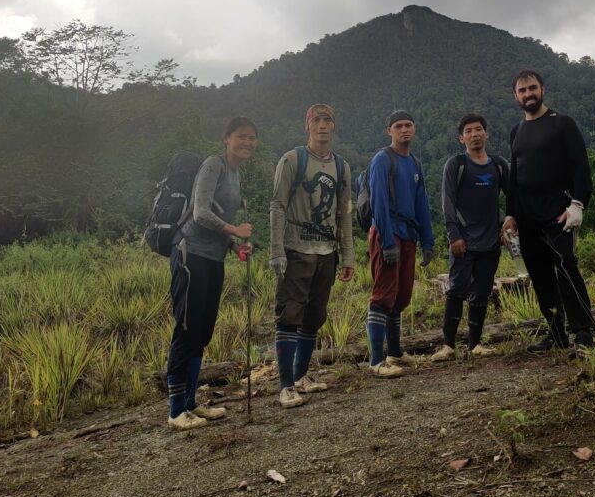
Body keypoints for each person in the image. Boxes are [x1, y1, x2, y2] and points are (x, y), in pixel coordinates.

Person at [164, 116, 257, 431]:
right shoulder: (213, 165)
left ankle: (191, 404)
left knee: (202, 332)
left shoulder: (235, 173)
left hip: (213, 257)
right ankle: (176, 411)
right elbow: (200, 212)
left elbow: (217, 218)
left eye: (252, 138)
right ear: (226, 138)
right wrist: (235, 229)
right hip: (190, 255)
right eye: (242, 137)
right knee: (187, 329)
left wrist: (234, 245)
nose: (247, 143)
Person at [502, 69, 595, 352]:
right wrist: (510, 214)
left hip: (559, 212)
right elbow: (514, 176)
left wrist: (578, 204)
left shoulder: (562, 124)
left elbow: (581, 166)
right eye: (522, 90)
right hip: (527, 217)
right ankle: (556, 333)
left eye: (532, 88)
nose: (528, 94)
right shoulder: (516, 131)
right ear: (515, 95)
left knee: (567, 268)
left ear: (542, 89)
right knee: (540, 274)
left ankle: (583, 333)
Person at [269, 104, 356, 409]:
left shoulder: (342, 166)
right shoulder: (292, 159)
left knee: (314, 317)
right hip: (296, 249)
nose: (322, 125)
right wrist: (277, 251)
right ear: (307, 124)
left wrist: (348, 256)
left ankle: (302, 375)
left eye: (328, 120)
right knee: (289, 316)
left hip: (326, 252)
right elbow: (278, 204)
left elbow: (345, 212)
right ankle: (285, 385)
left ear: (334, 126)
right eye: (316, 120)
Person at [431, 113, 509, 361]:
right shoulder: (456, 164)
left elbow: (513, 196)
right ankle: (448, 346)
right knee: (457, 290)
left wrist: (507, 221)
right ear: (461, 138)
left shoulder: (498, 165)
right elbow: (448, 202)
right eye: (469, 131)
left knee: (483, 292)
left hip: (491, 241)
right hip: (463, 241)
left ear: (486, 134)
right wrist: (453, 235)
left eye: (478, 130)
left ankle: (475, 344)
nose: (474, 134)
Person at [366, 110, 435, 377]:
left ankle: (394, 352)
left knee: (401, 296)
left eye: (408, 125)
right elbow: (379, 202)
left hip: (409, 234)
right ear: (389, 131)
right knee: (383, 294)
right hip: (388, 232)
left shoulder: (415, 163)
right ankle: (375, 361)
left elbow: (422, 204)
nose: (404, 130)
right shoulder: (383, 160)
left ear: (414, 129)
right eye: (398, 126)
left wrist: (427, 241)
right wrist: (386, 242)